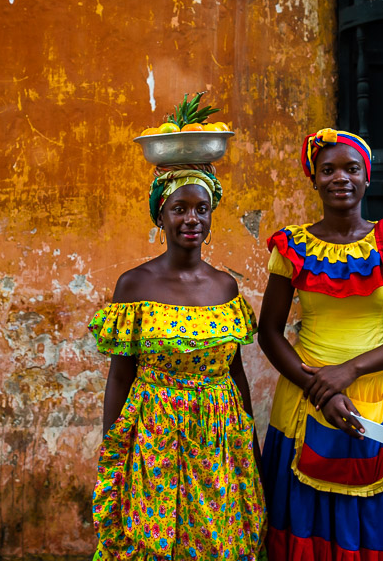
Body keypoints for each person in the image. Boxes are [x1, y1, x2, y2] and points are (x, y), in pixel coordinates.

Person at [257, 128, 383, 560]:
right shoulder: (290, 247)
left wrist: (348, 372)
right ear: (314, 179)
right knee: (304, 520)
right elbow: (269, 332)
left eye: (352, 169)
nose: (341, 178)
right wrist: (318, 388)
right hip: (303, 398)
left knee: (373, 520)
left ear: (367, 177)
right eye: (328, 170)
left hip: (369, 399)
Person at [87, 164, 266, 561]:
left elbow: (235, 372)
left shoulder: (225, 286)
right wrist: (113, 450)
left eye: (201, 209)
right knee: (154, 536)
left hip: (219, 435)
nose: (192, 219)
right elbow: (120, 377)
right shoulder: (134, 284)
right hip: (155, 433)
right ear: (160, 216)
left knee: (217, 537)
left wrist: (250, 444)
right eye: (179, 209)